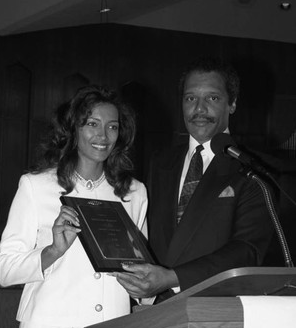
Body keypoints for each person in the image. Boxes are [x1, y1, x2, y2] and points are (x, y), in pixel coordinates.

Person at [0, 85, 148, 328]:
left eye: (112, 127)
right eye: (92, 124)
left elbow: (142, 270)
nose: (102, 135)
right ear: (73, 129)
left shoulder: (133, 194)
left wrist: (146, 289)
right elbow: (4, 268)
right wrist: (51, 250)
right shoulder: (37, 186)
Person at [113, 56, 275, 302]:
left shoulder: (253, 171)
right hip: (151, 310)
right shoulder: (161, 162)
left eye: (212, 98)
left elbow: (247, 251)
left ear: (231, 104)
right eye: (190, 98)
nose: (199, 109)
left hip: (214, 307)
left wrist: (173, 277)